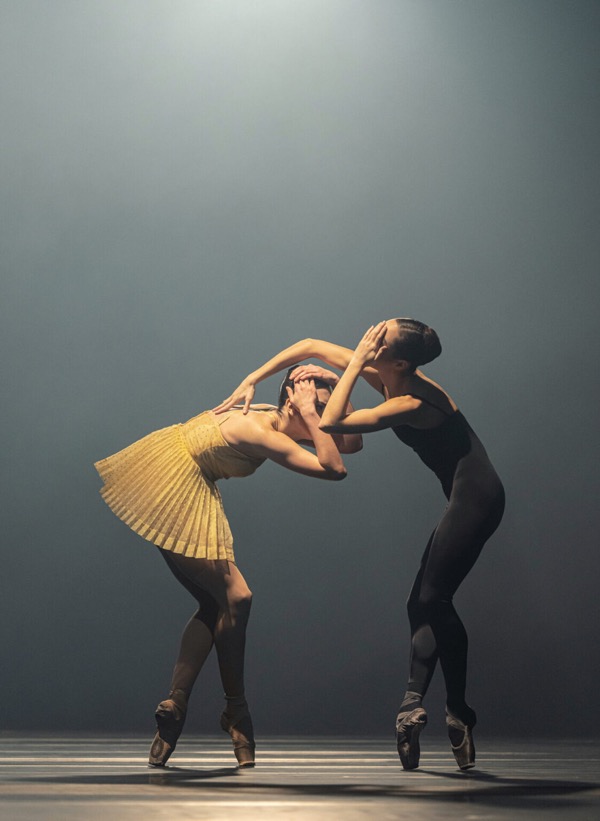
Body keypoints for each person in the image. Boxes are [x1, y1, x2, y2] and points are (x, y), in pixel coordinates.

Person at [216, 320, 504, 771]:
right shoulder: (388, 376)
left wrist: (342, 374)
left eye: (379, 340)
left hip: (479, 499)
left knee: (433, 598)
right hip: (463, 497)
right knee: (420, 602)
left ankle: (458, 712)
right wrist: (253, 378)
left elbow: (332, 423)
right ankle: (415, 706)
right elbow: (310, 344)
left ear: (399, 362)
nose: (369, 339)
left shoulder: (410, 402)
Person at [95, 369, 361, 768]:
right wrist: (310, 409)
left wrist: (335, 380)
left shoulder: (275, 416)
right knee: (238, 597)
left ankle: (177, 705)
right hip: (174, 483)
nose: (327, 418)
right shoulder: (260, 431)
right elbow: (336, 469)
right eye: (319, 408)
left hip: (178, 474)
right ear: (293, 402)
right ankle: (236, 711)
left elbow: (351, 442)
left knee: (215, 603)